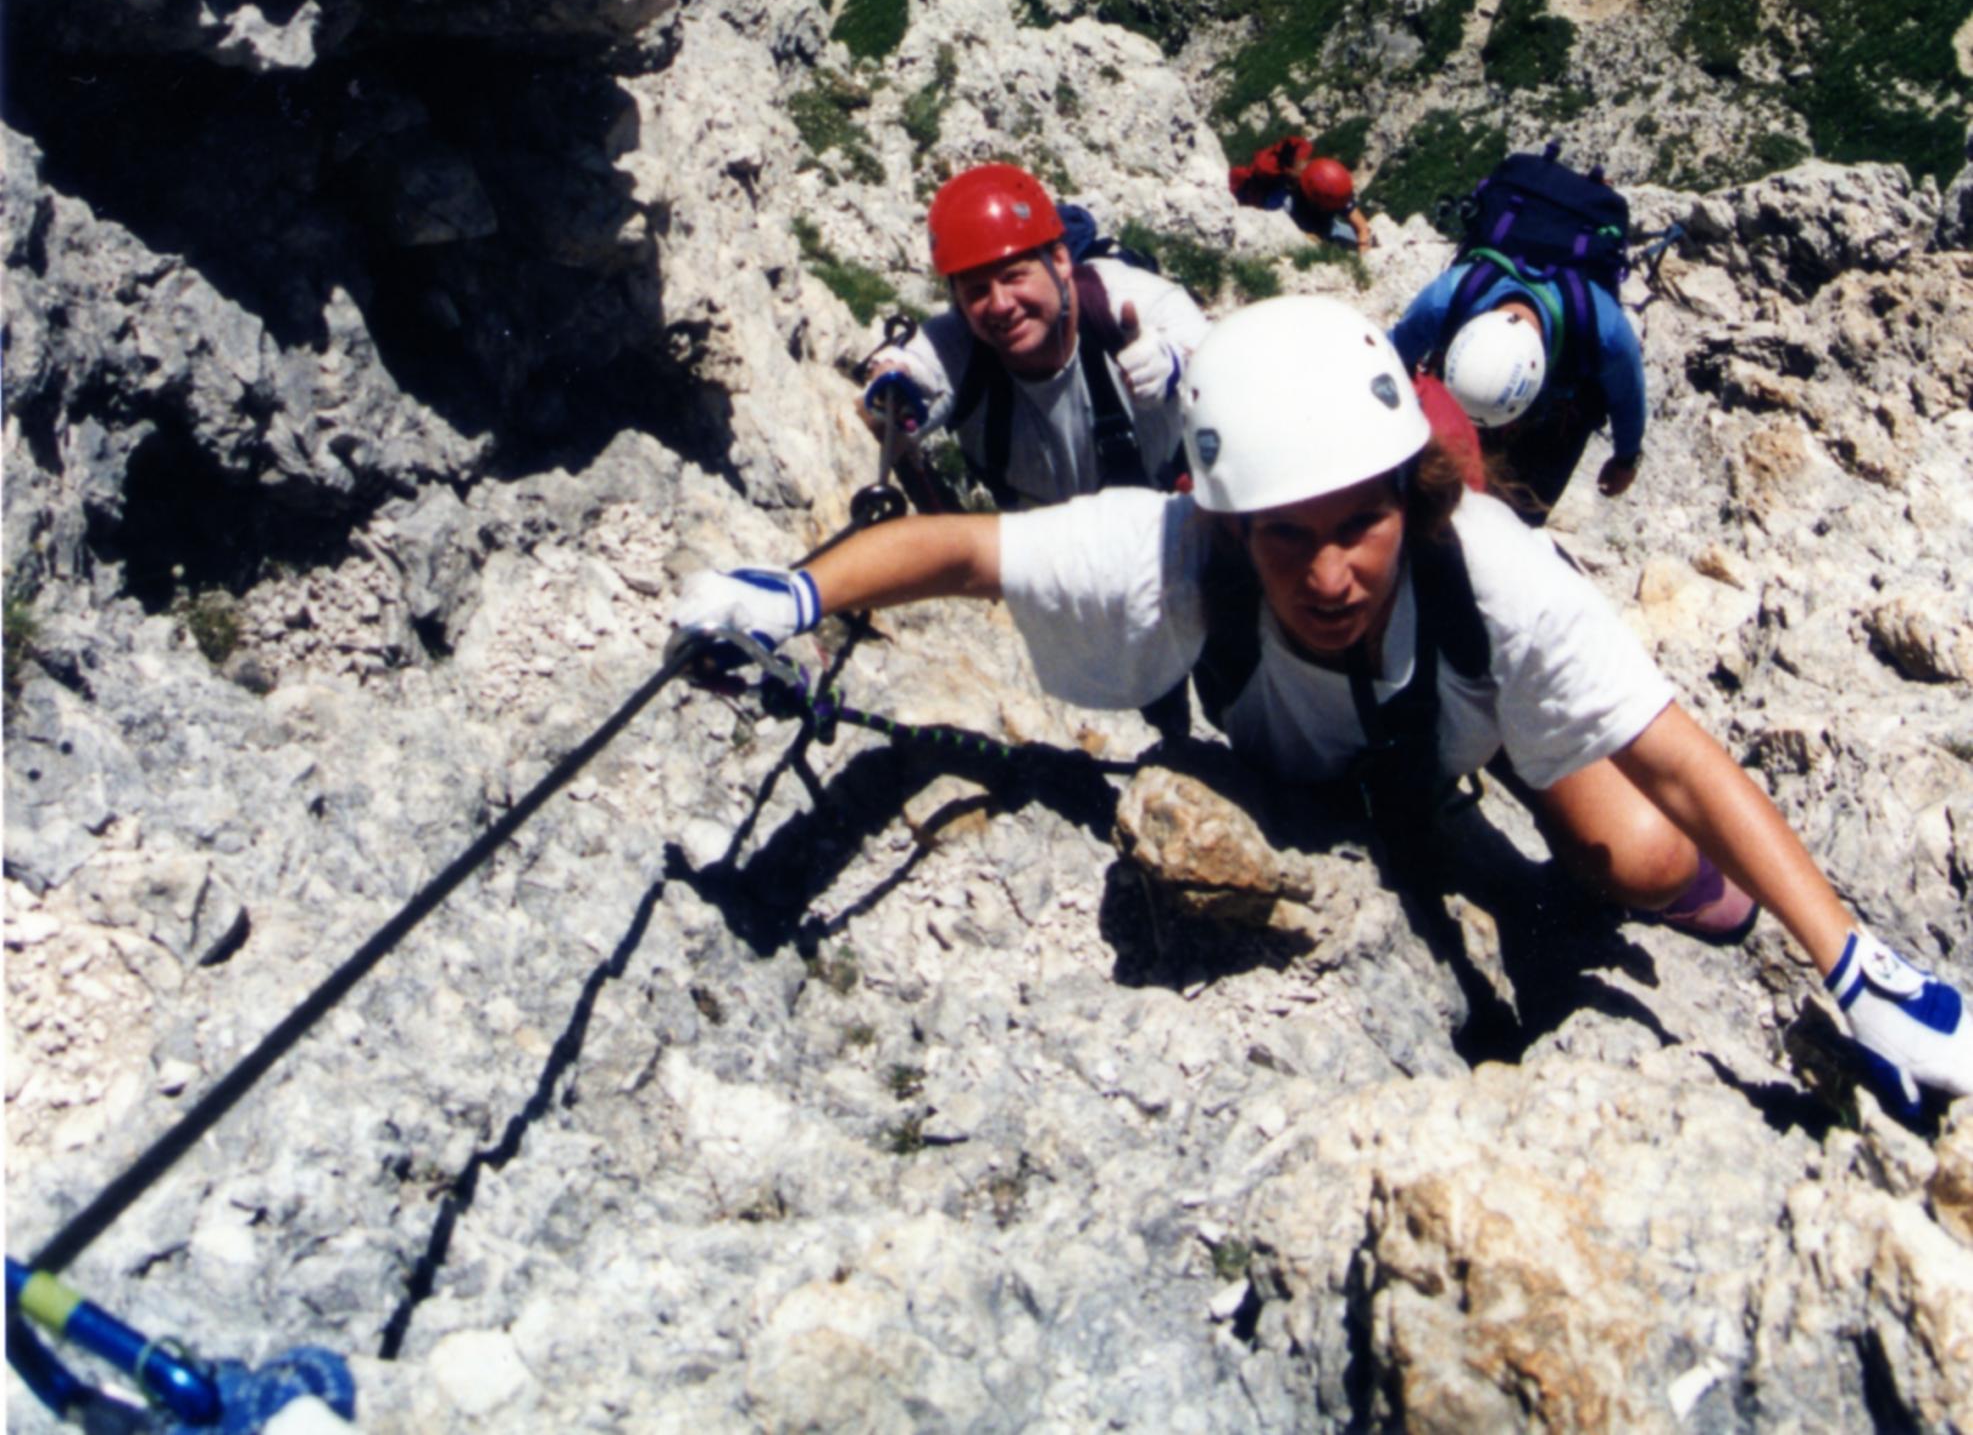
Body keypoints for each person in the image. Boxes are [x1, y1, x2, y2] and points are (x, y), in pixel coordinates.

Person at [672, 295, 1973, 1126]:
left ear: (1412, 492)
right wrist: (794, 592)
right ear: (1228, 519)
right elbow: (961, 550)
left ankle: (1714, 908)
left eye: (1361, 521)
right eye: (1287, 536)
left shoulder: (1493, 567)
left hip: (1482, 712)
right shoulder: (1174, 549)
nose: (1333, 567)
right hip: (1343, 773)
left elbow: (1673, 751)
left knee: (1629, 851)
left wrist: (1849, 959)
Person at [859, 162, 1207, 508]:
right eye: (977, 291)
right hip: (1045, 550)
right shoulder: (957, 349)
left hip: (1165, 523)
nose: (1000, 305)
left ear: (1060, 261)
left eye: (1013, 277)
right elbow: (900, 381)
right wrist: (892, 389)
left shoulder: (1133, 304)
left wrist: (1178, 364)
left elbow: (1224, 360)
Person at [1391, 265, 1646, 523]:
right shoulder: (1444, 300)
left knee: (1523, 516)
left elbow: (1628, 398)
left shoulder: (1605, 332)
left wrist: (1626, 460)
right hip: (1490, 392)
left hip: (1562, 410)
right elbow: (1388, 359)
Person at [1229, 138, 1374, 255]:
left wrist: (1364, 246)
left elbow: (1361, 226)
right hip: (1297, 224)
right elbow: (1278, 229)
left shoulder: (1332, 183)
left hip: (1325, 225)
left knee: (1370, 242)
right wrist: (1305, 237)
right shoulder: (1281, 201)